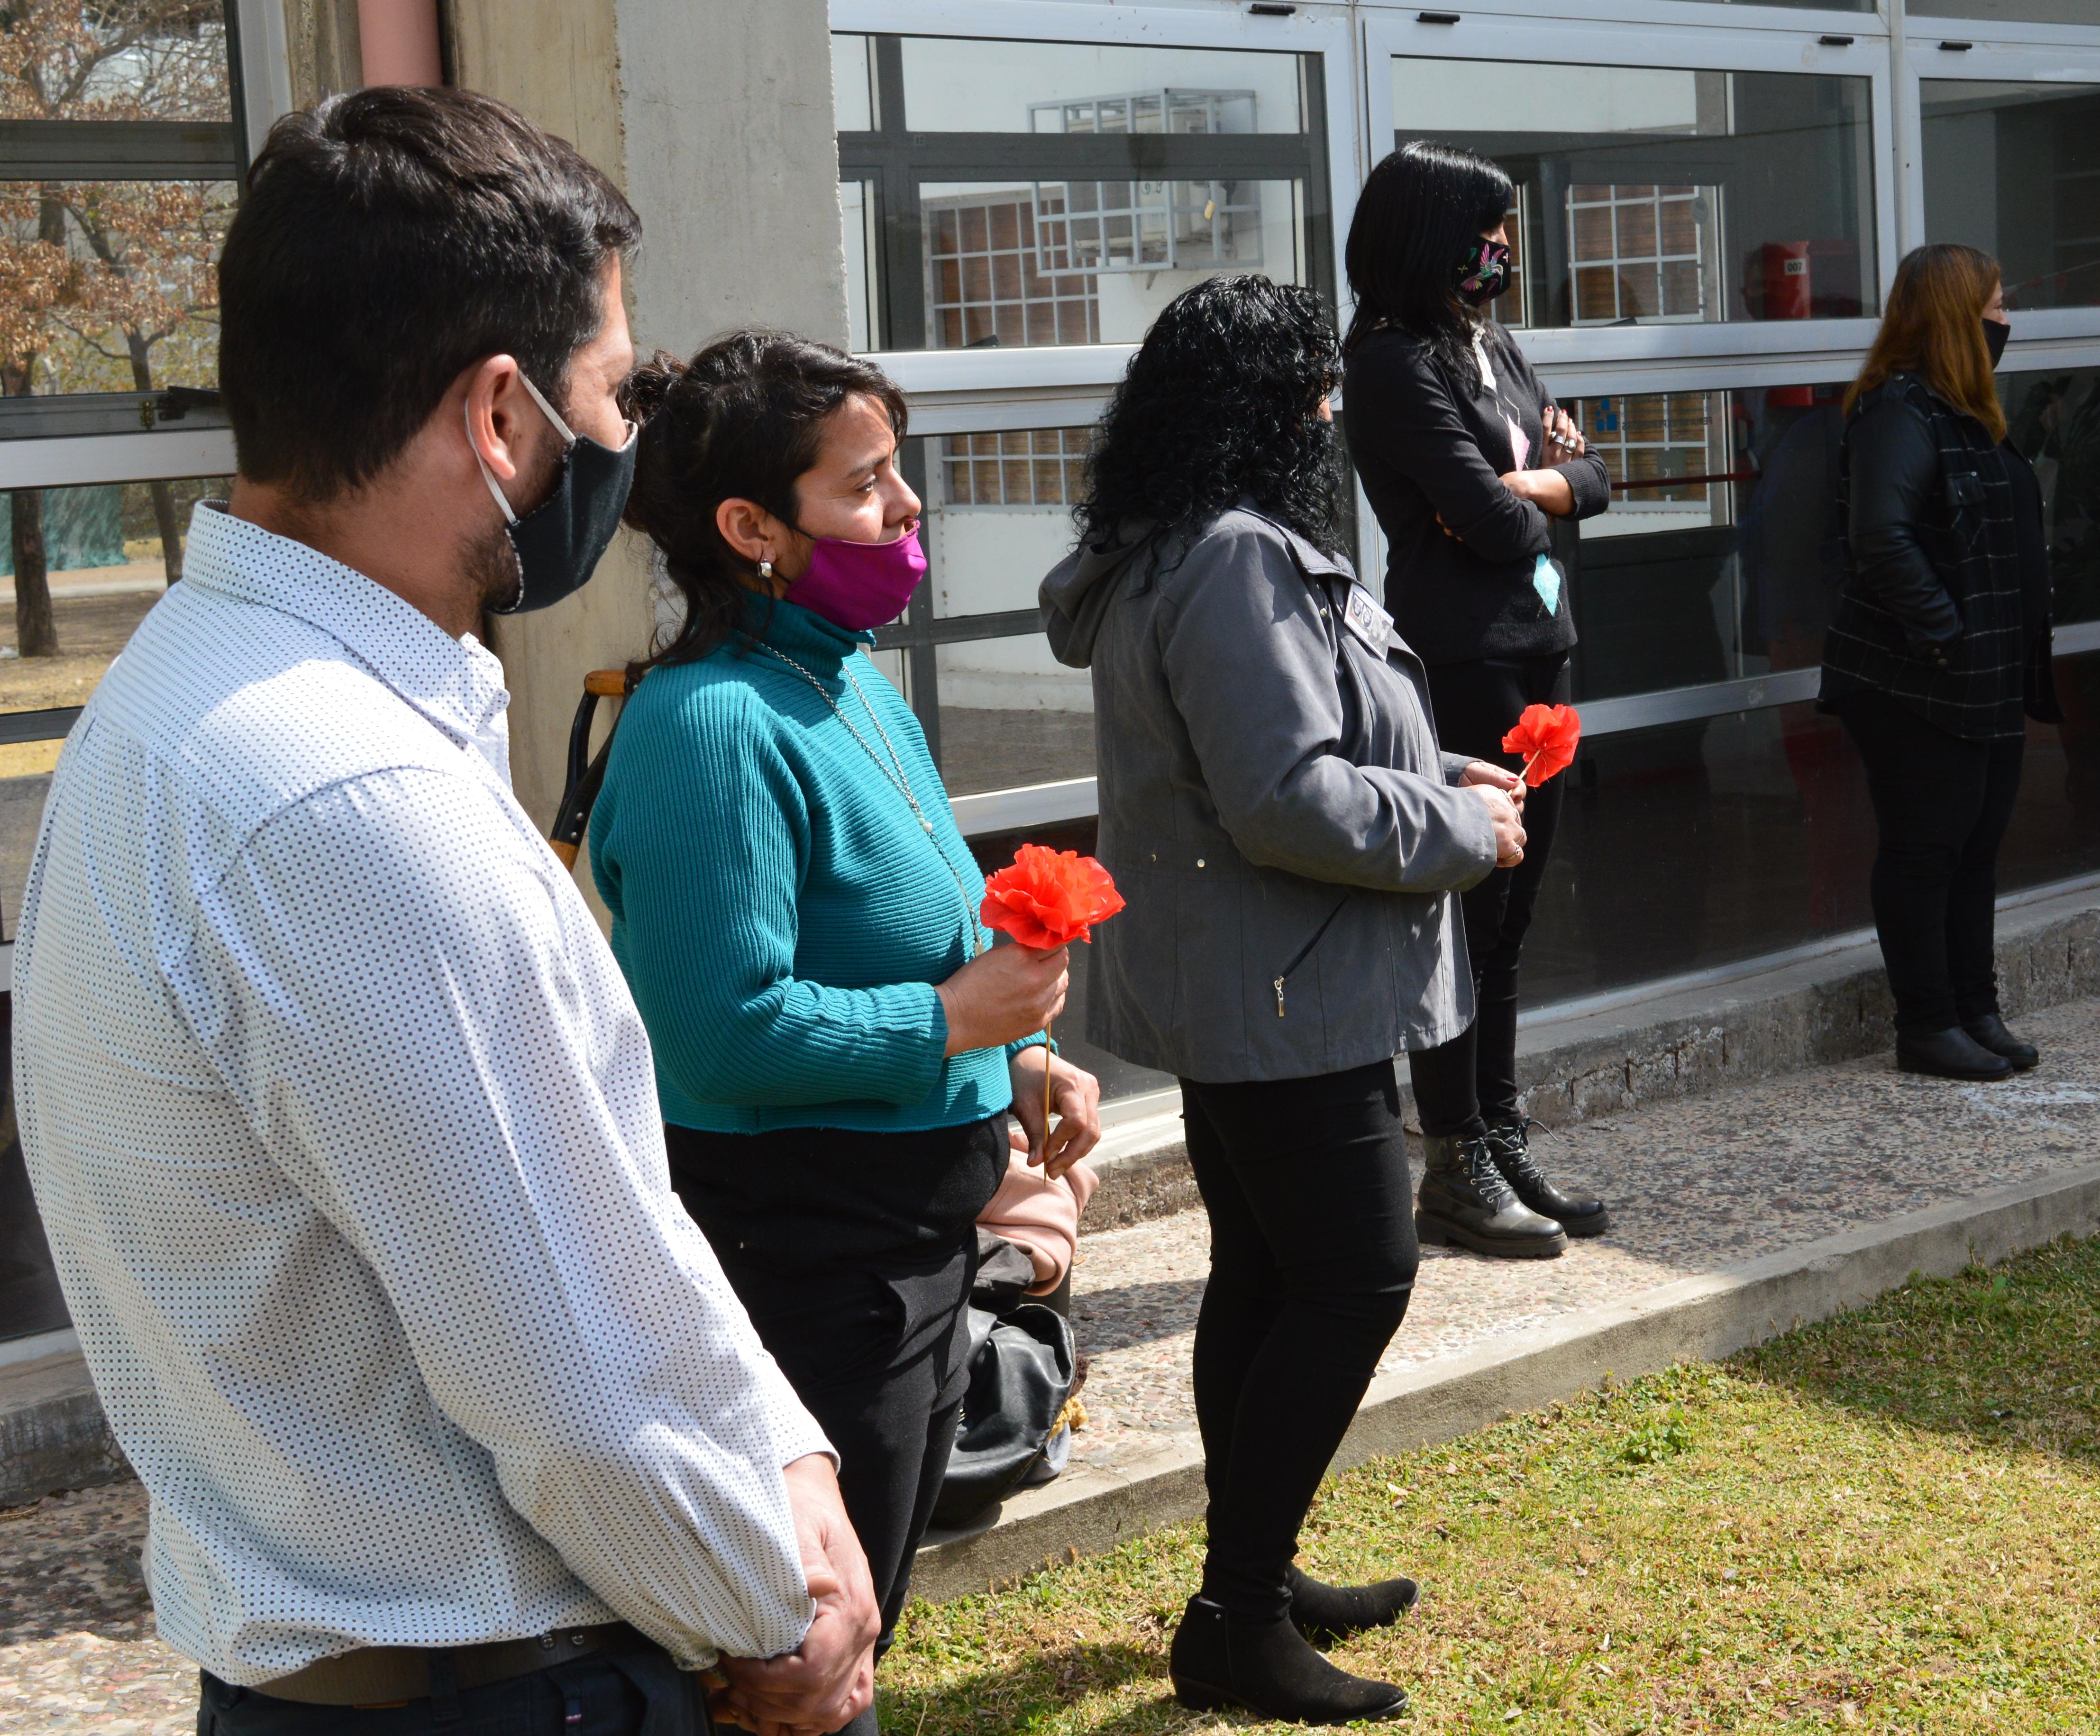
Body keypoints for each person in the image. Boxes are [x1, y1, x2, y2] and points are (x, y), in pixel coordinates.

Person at [12, 89, 878, 1736]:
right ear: (498, 415)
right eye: (612, 392)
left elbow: (587, 1224)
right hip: (509, 1687)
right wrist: (781, 1612)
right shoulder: (344, 802)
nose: (623, 442)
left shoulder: (195, 701)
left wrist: (783, 1453)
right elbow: (575, 1381)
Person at [585, 332, 1105, 1736]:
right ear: (751, 528)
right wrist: (951, 1020)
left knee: (863, 1616)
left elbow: (901, 940)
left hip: (911, 1241)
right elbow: (718, 1032)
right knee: (804, 1660)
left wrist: (1014, 1055)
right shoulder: (711, 725)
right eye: (866, 484)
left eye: (898, 471)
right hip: (807, 1253)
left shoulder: (850, 681)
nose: (909, 507)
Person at [1040, 274, 1525, 1724]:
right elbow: (1282, 798)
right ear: (1270, 409)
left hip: (1258, 981)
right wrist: (1460, 829)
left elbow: (1277, 750)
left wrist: (1433, 773)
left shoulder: (1172, 547)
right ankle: (1237, 1616)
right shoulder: (1237, 558)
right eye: (1317, 387)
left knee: (1265, 1272)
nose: (1333, 411)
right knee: (1359, 1276)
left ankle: (1252, 1569)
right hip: (1285, 988)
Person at [1341, 141, 1612, 1259]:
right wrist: (1534, 489)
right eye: (1484, 233)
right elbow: (1497, 524)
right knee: (1468, 914)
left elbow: (1589, 479)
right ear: (1427, 236)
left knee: (1513, 920)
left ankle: (1499, 1132)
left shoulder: (1488, 342)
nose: (1500, 251)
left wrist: (1529, 482)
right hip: (1464, 660)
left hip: (1541, 644)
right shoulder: (1391, 360)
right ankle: (1453, 1154)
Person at [1818, 243, 2061, 1082]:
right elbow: (1881, 540)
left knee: (1975, 847)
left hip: (1982, 675)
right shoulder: (1898, 411)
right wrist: (1948, 638)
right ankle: (1926, 1025)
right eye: (1996, 305)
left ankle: (1974, 1008)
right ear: (1959, 317)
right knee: (1926, 851)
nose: (2006, 320)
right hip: (1915, 679)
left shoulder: (1963, 411)